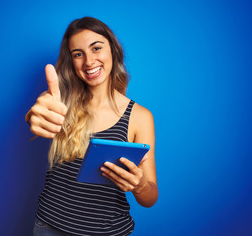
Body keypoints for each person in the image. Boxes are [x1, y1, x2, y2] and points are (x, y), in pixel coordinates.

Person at [26, 17, 158, 236]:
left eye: (96, 48)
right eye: (78, 54)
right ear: (71, 61)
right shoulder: (59, 100)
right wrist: (32, 116)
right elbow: (37, 113)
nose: (88, 61)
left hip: (107, 232)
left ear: (113, 51)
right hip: (48, 227)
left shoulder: (139, 116)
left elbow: (150, 198)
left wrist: (140, 185)